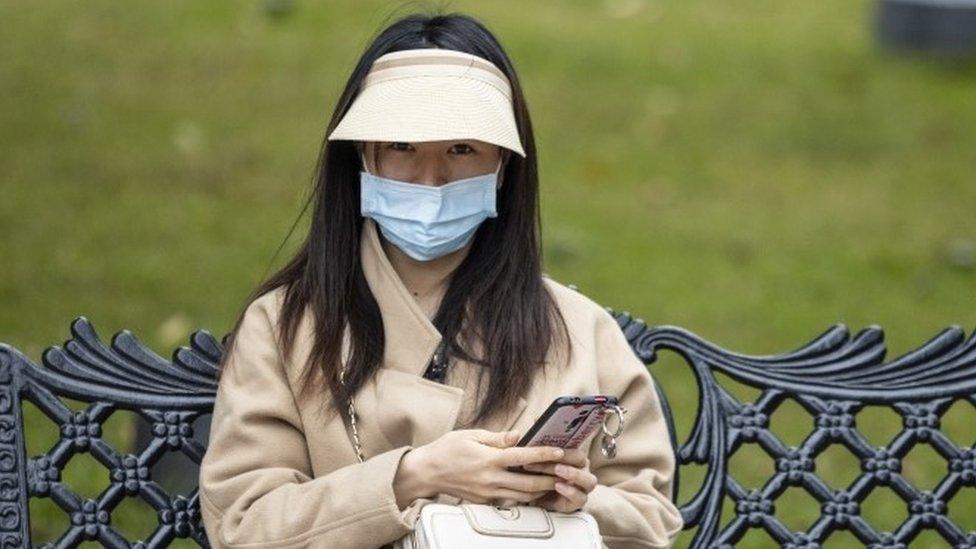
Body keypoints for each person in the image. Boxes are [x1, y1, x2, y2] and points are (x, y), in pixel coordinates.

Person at [198, 10, 683, 549]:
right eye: (402, 147)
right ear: (362, 157)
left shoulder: (579, 330)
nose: (431, 179)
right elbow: (243, 525)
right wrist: (412, 476)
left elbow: (650, 520)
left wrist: (570, 499)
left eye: (461, 149)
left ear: (503, 166)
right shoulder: (286, 326)